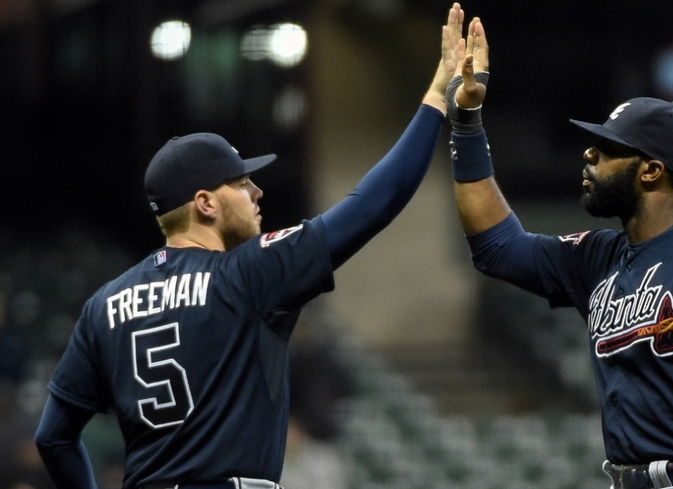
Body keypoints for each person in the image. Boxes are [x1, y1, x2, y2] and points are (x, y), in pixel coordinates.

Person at [33, 4, 469, 488]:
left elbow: (53, 437)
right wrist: (435, 98)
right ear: (205, 202)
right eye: (240, 183)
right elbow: (374, 204)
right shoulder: (248, 273)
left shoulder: (103, 305)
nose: (257, 192)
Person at [445, 18, 673, 489]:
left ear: (650, 171)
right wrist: (465, 121)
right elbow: (497, 249)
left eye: (607, 149)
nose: (589, 155)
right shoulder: (598, 257)